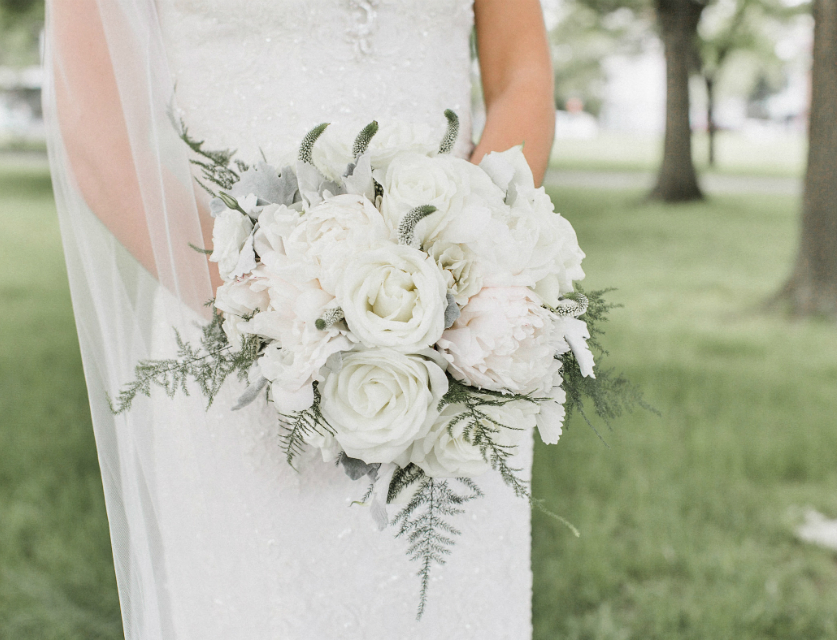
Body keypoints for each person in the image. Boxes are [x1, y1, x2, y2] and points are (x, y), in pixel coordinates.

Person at [44, 0, 555, 637]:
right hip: (235, 330)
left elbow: (522, 75)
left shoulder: (461, 296)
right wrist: (268, 308)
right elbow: (95, 126)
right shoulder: (246, 316)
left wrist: (465, 257)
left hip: (458, 334)